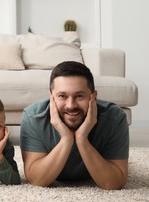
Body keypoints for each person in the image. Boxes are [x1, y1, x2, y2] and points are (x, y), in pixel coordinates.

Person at [20, 61, 129, 190]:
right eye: (62, 96)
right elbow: (37, 179)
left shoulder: (114, 118)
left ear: (93, 97)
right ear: (52, 98)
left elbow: (114, 183)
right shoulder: (33, 117)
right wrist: (66, 139)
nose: (71, 105)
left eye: (79, 96)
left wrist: (82, 139)